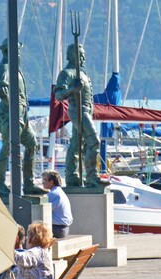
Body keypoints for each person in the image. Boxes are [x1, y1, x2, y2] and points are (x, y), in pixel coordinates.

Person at [0, 39, 42, 198]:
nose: (19, 54)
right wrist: (11, 105)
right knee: (7, 147)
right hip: (10, 114)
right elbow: (1, 88)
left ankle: (29, 184)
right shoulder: (5, 68)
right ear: (8, 52)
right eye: (17, 51)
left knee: (31, 144)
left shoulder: (15, 69)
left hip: (22, 114)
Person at [55, 43, 107, 189]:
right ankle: (92, 177)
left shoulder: (82, 73)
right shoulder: (67, 74)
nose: (83, 58)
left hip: (87, 111)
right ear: (72, 56)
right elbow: (58, 95)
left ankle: (72, 177)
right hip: (78, 110)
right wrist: (73, 89)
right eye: (80, 55)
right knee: (94, 141)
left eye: (83, 55)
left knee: (76, 144)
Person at [42, 171, 73, 239]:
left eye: (45, 180)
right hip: (62, 228)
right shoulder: (59, 192)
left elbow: (42, 210)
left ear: (51, 182)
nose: (42, 182)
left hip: (57, 229)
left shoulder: (53, 194)